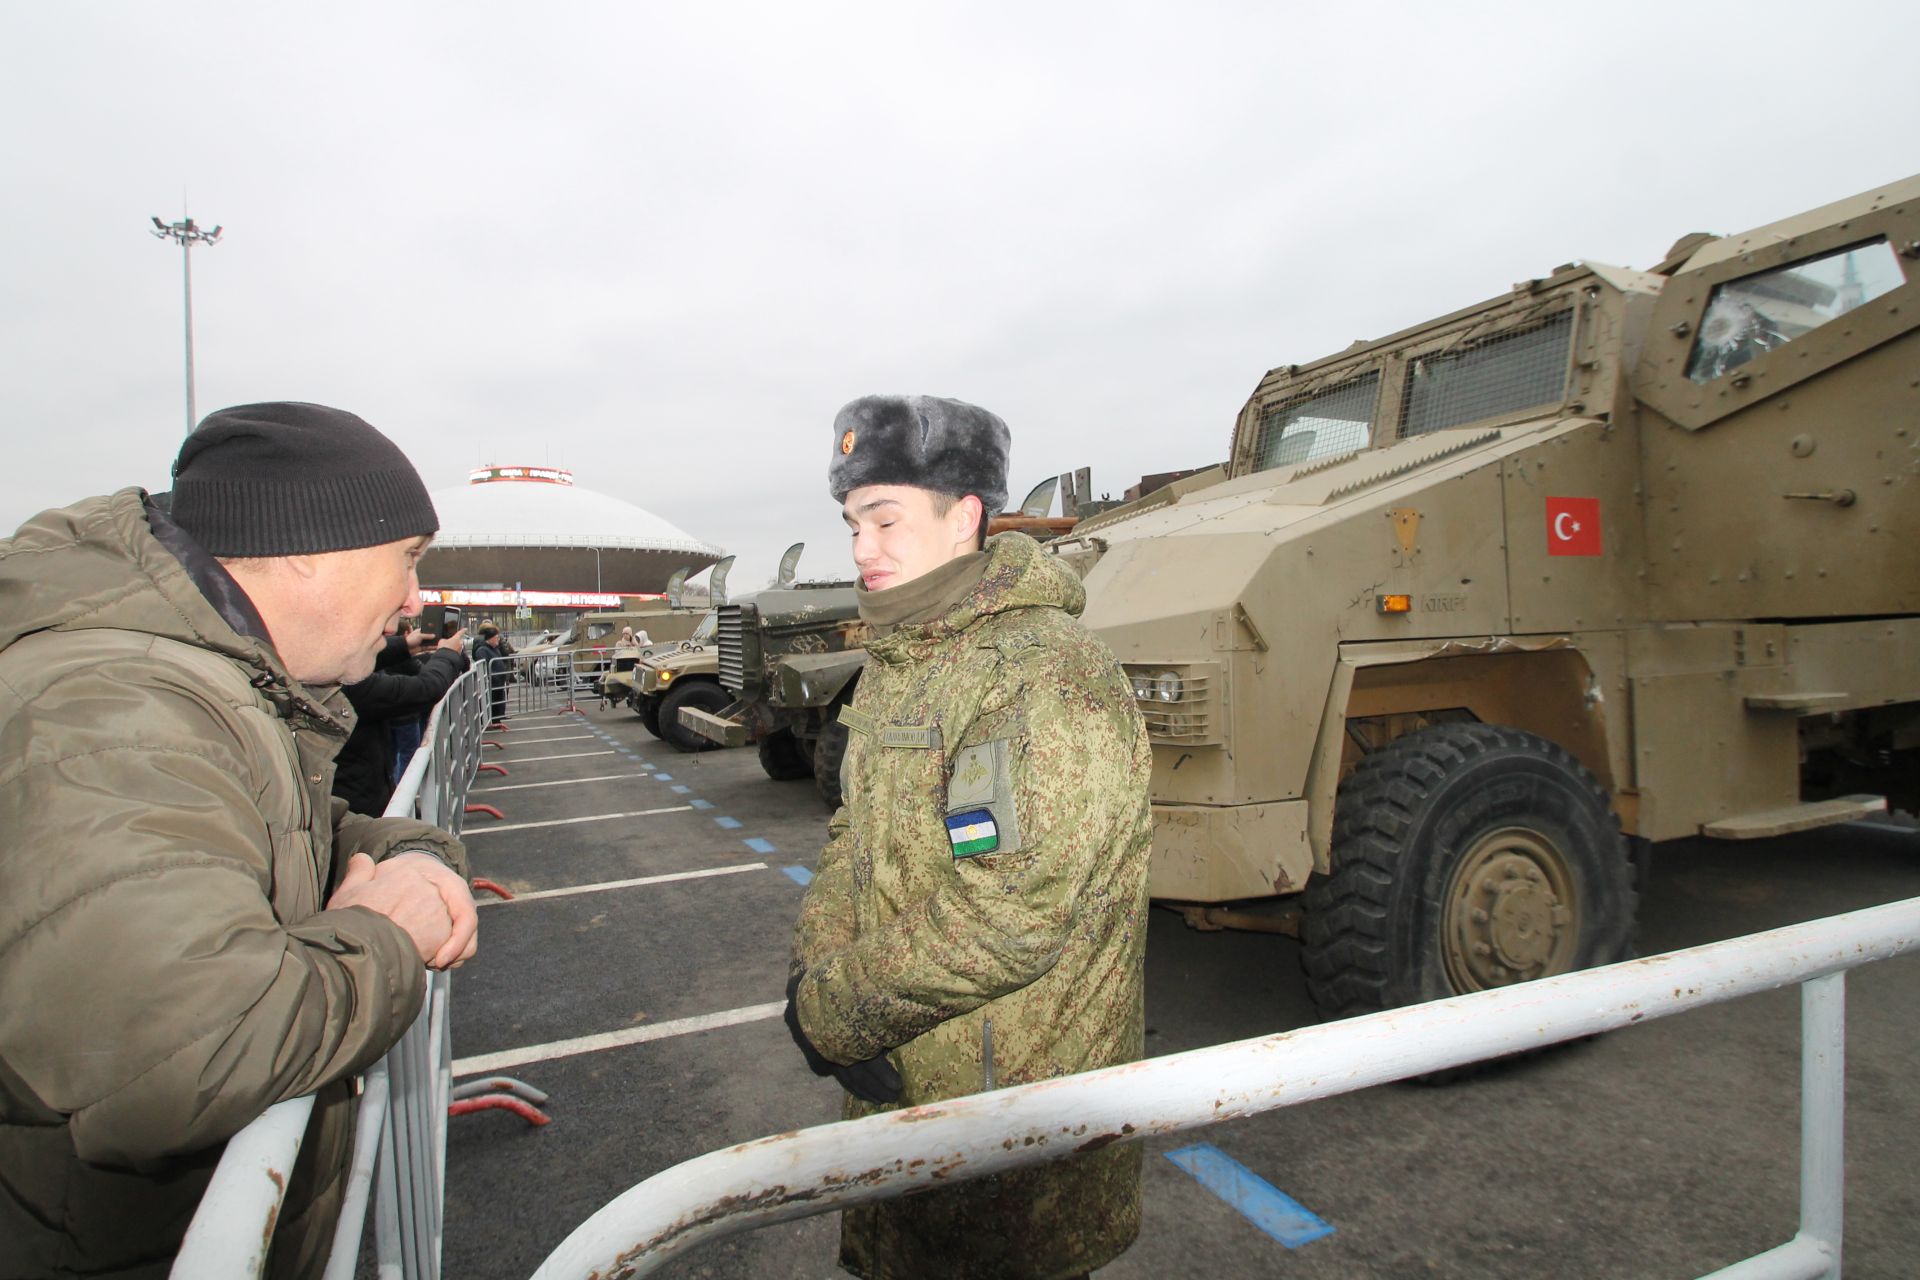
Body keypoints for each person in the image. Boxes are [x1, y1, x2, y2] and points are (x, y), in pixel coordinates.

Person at [0, 401, 479, 1279]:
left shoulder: (195, 685)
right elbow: (183, 1052)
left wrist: (416, 855)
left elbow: (296, 837)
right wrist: (389, 936)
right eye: (407, 557)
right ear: (306, 545)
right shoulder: (118, 707)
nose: (415, 596)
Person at [784, 395, 1154, 1279]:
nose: (864, 548)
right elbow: (854, 833)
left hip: (1011, 1113)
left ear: (966, 518)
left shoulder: (1044, 674)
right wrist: (820, 967)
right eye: (851, 524)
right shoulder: (907, 659)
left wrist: (835, 1011)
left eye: (885, 519)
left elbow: (1012, 911)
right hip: (913, 1073)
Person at [336, 626, 471, 816]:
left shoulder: (322, 665)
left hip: (357, 792)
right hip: (357, 806)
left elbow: (358, 659)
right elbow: (427, 688)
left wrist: (404, 646)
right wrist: (447, 654)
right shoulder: (347, 683)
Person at [473, 622, 511, 726]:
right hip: (491, 683)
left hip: (498, 683)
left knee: (497, 703)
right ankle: (488, 722)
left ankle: (496, 720)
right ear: (490, 638)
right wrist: (492, 678)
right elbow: (483, 667)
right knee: (490, 703)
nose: (498, 639)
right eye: (496, 637)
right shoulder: (482, 650)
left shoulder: (495, 649)